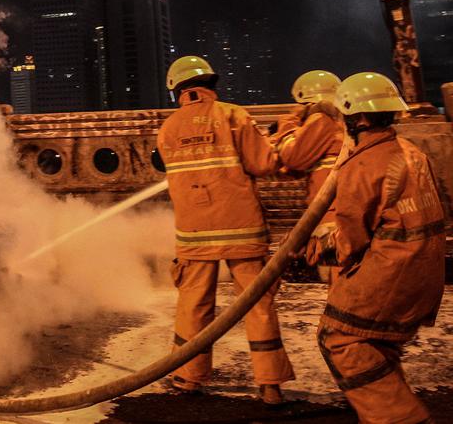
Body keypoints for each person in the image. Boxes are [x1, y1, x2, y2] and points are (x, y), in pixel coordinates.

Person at [156, 56, 294, 405]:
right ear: (210, 85)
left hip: (194, 233)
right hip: (241, 228)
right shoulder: (233, 115)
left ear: (178, 91)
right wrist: (274, 139)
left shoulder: (168, 128)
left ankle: (188, 377)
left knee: (194, 303)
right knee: (256, 304)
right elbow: (263, 163)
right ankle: (270, 385)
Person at [310, 72, 444, 424]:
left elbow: (352, 240)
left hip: (392, 273)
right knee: (377, 345)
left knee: (340, 339)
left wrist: (323, 245)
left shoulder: (363, 165)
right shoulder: (413, 154)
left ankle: (402, 419)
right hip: (425, 272)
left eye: (346, 116)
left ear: (359, 117)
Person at [273, 71, 345, 278]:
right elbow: (303, 164)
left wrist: (288, 124)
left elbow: (293, 156)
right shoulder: (338, 121)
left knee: (341, 285)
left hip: (333, 215)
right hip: (338, 211)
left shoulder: (321, 118)